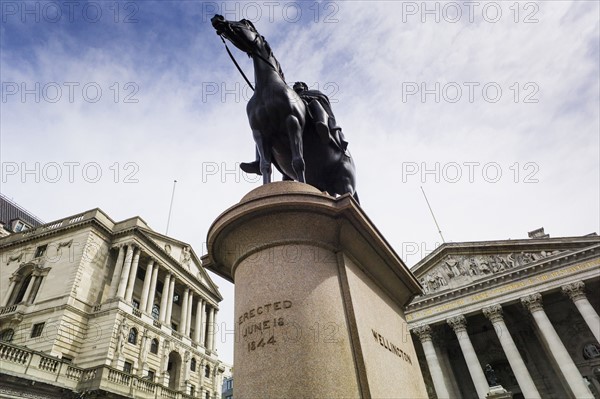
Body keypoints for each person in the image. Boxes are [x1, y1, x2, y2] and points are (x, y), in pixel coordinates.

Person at [240, 81, 349, 175]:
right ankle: (258, 161)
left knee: (315, 103)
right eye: (295, 84)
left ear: (305, 87)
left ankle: (322, 126)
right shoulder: (288, 98)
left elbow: (323, 100)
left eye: (300, 84)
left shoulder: (312, 94)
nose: (297, 84)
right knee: (264, 129)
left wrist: (305, 98)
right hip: (292, 123)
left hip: (309, 118)